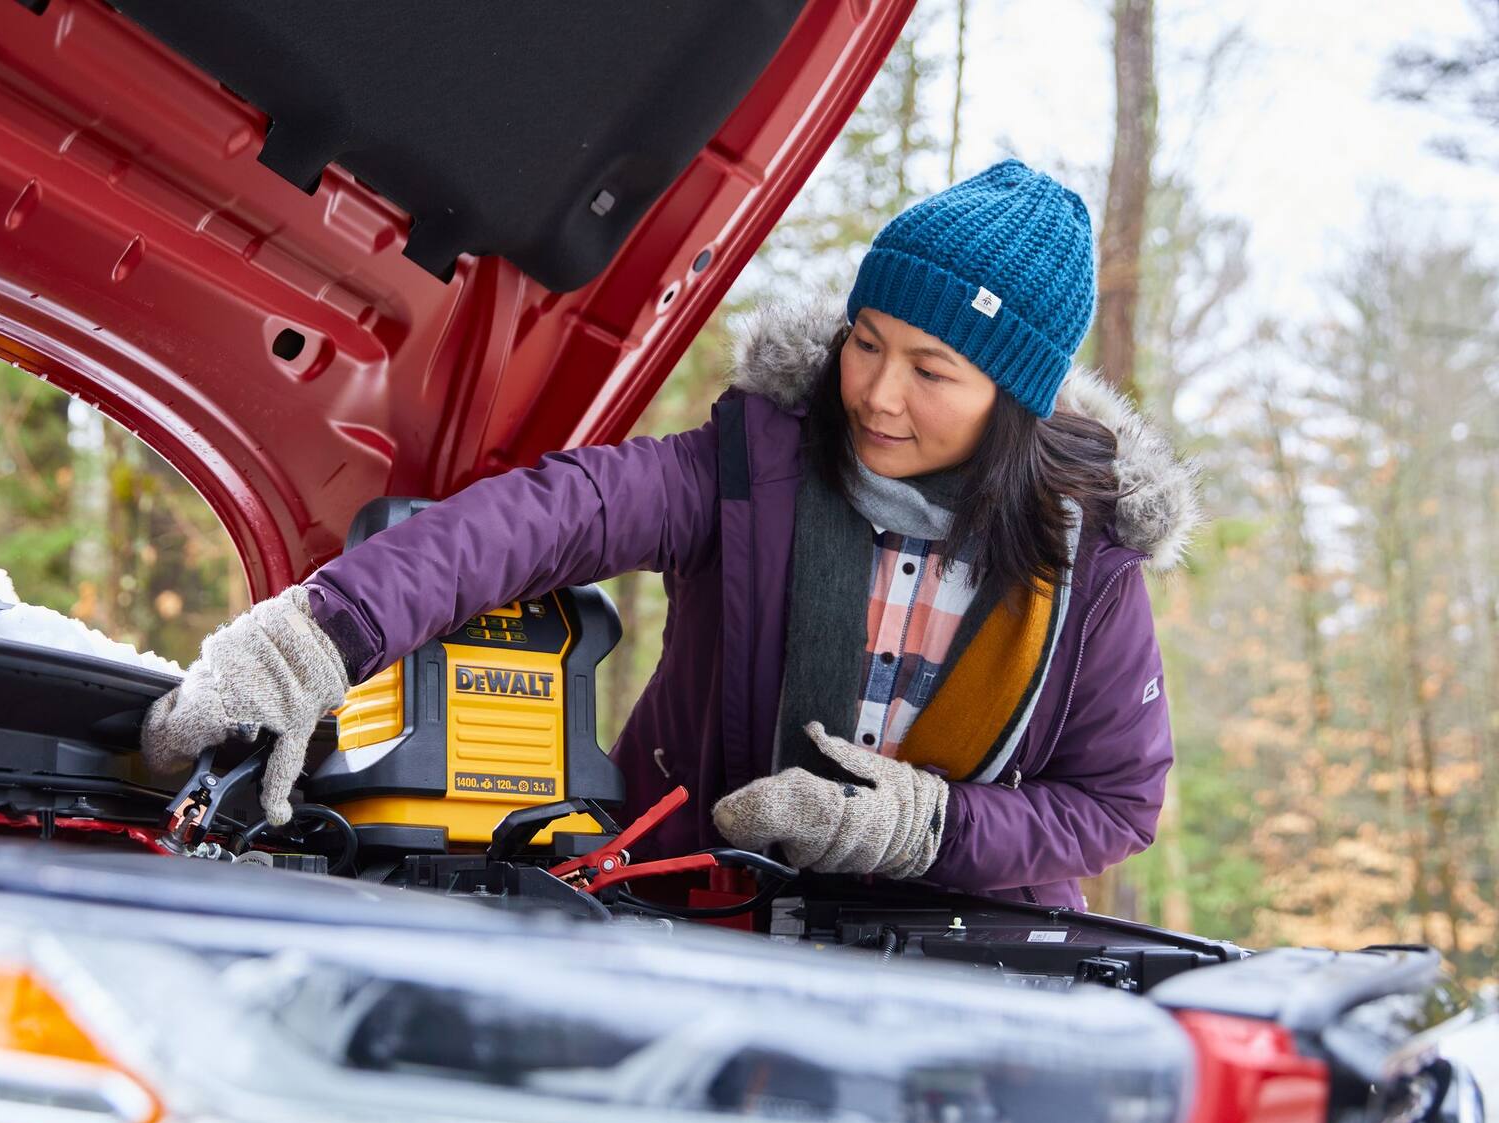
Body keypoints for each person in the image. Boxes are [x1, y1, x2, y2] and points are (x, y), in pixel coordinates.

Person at [143, 159, 1200, 909]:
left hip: (957, 960)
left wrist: (926, 826)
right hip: (694, 909)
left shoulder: (1086, 562)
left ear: (1012, 400)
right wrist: (322, 632)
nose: (877, 393)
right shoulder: (758, 469)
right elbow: (550, 515)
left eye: (932, 371)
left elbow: (1109, 805)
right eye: (866, 343)